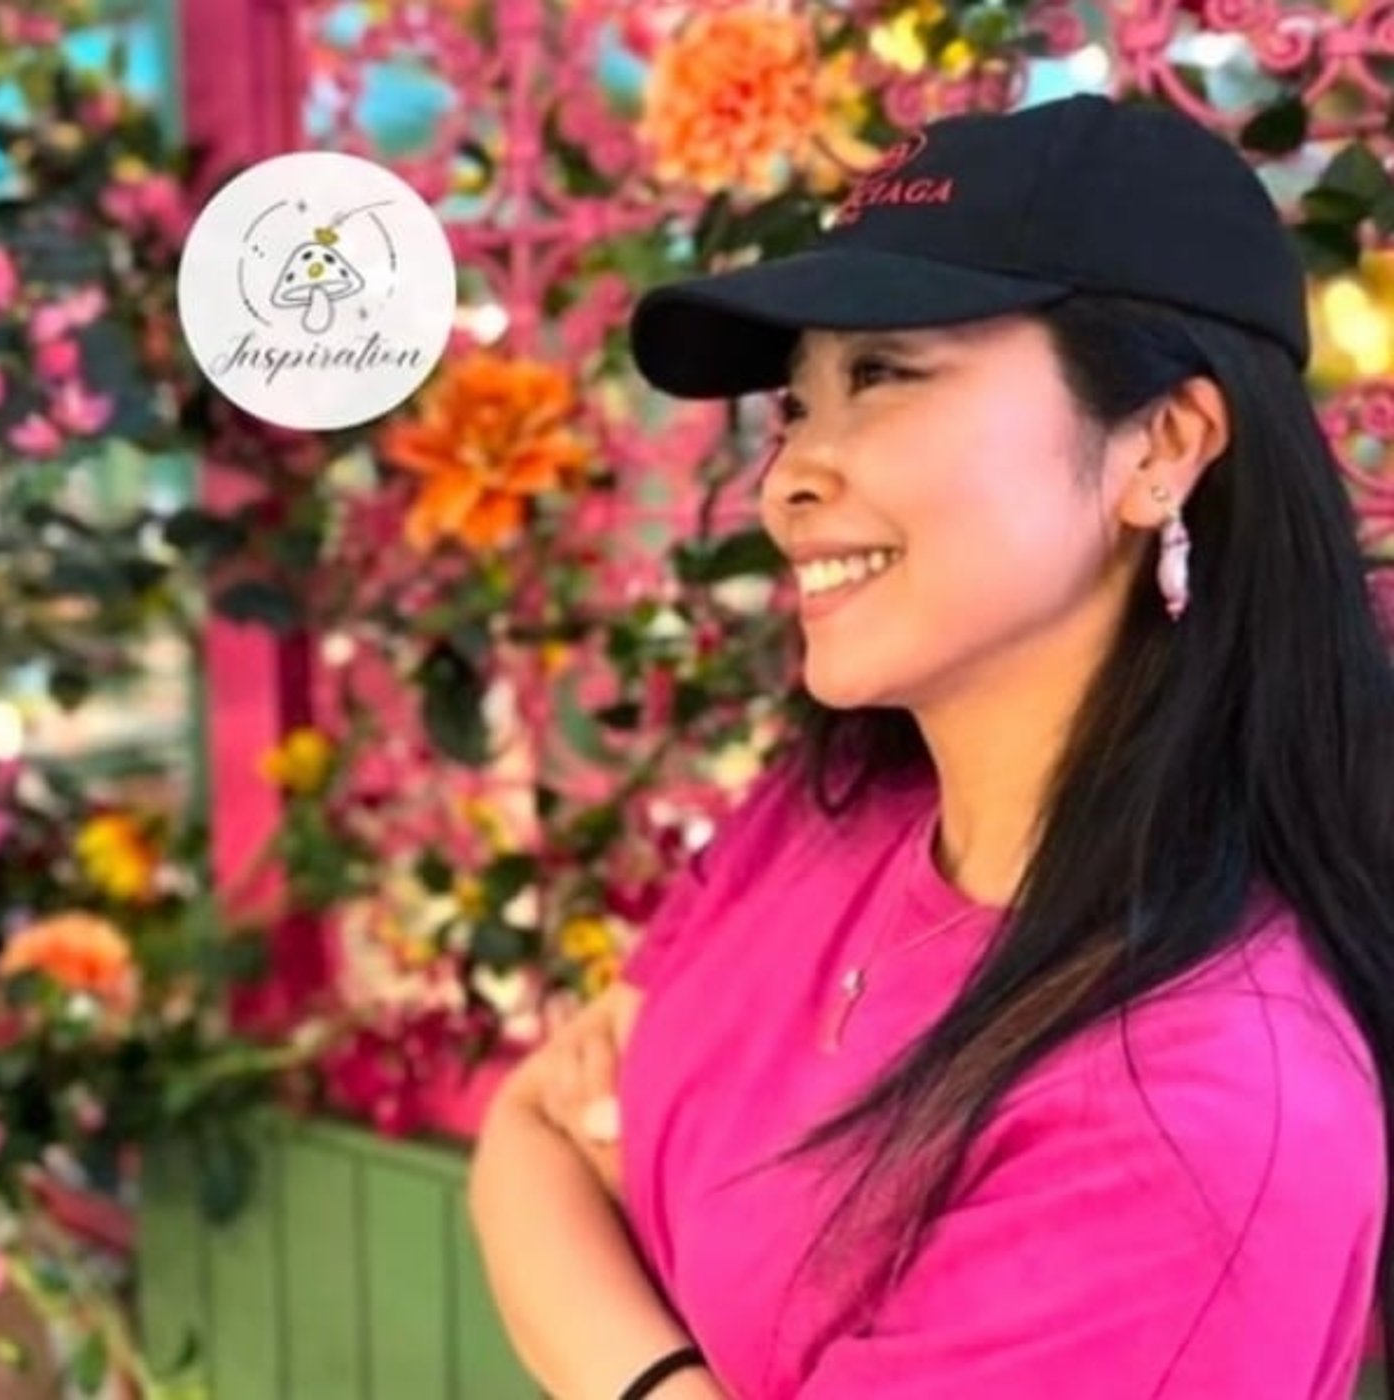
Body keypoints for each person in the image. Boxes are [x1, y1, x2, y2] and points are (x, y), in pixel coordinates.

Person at [469, 93, 1393, 1400]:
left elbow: (563, 1167)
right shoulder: (833, 804)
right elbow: (524, 1134)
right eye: (796, 405)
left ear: (1163, 445)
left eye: (883, 376)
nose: (788, 479)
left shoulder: (1193, 1110)